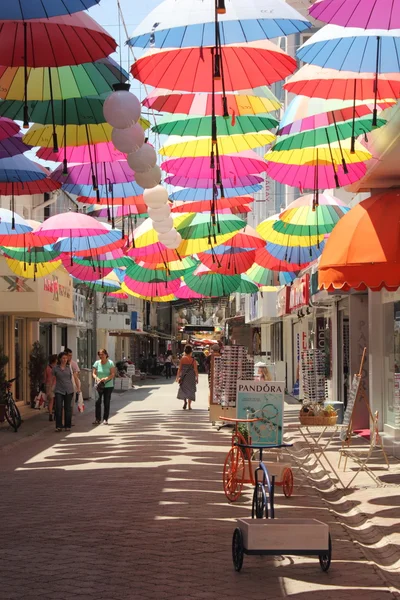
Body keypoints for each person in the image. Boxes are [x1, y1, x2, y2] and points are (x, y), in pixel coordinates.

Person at [92, 349, 116, 425]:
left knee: (106, 402)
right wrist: (97, 378)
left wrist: (106, 378)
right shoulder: (97, 363)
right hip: (99, 385)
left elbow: (112, 374)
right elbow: (93, 373)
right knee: (97, 401)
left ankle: (105, 419)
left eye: (102, 354)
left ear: (106, 354)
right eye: (100, 354)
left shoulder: (110, 363)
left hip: (108, 385)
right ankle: (97, 419)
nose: (101, 356)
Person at [53, 352, 74, 432]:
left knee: (67, 408)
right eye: (63, 358)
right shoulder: (55, 368)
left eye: (66, 358)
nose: (65, 359)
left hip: (68, 390)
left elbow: (72, 378)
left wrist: (77, 388)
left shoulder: (69, 368)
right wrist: (50, 389)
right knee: (58, 408)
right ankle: (58, 426)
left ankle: (67, 425)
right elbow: (53, 379)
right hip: (58, 390)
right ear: (60, 359)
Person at [176, 345, 198, 410]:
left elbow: (179, 369)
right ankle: (189, 405)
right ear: (191, 352)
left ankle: (185, 401)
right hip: (191, 376)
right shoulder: (193, 360)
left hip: (184, 376)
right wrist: (197, 378)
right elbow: (196, 370)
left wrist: (177, 377)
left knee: (184, 389)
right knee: (191, 390)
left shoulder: (182, 359)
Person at [45, 354, 57, 422]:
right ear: (55, 360)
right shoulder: (56, 368)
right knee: (56, 400)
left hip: (48, 385)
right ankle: (55, 413)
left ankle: (50, 414)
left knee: (51, 401)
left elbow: (45, 377)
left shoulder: (47, 368)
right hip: (55, 384)